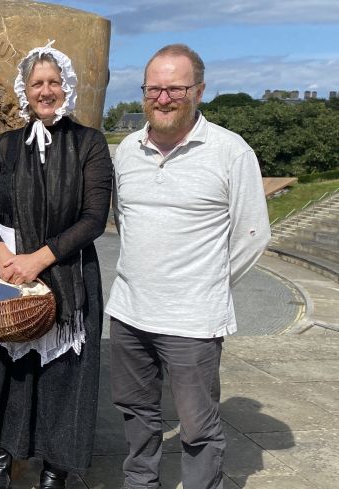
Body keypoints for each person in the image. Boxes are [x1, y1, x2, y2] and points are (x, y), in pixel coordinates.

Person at [107, 44, 270, 489]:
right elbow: (126, 222)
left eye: (175, 88)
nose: (163, 99)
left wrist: (206, 284)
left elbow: (253, 236)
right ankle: (140, 483)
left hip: (192, 321)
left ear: (199, 90)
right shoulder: (126, 151)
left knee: (198, 428)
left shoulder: (230, 152)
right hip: (129, 312)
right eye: (153, 89)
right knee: (137, 414)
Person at [0, 41, 112, 489]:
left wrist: (38, 259)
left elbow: (94, 218)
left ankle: (53, 475)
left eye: (54, 82)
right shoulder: (4, 148)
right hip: (4, 274)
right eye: (37, 83)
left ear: (67, 88)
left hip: (66, 273)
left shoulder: (89, 144)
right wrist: (3, 258)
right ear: (26, 90)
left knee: (62, 379)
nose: (46, 91)